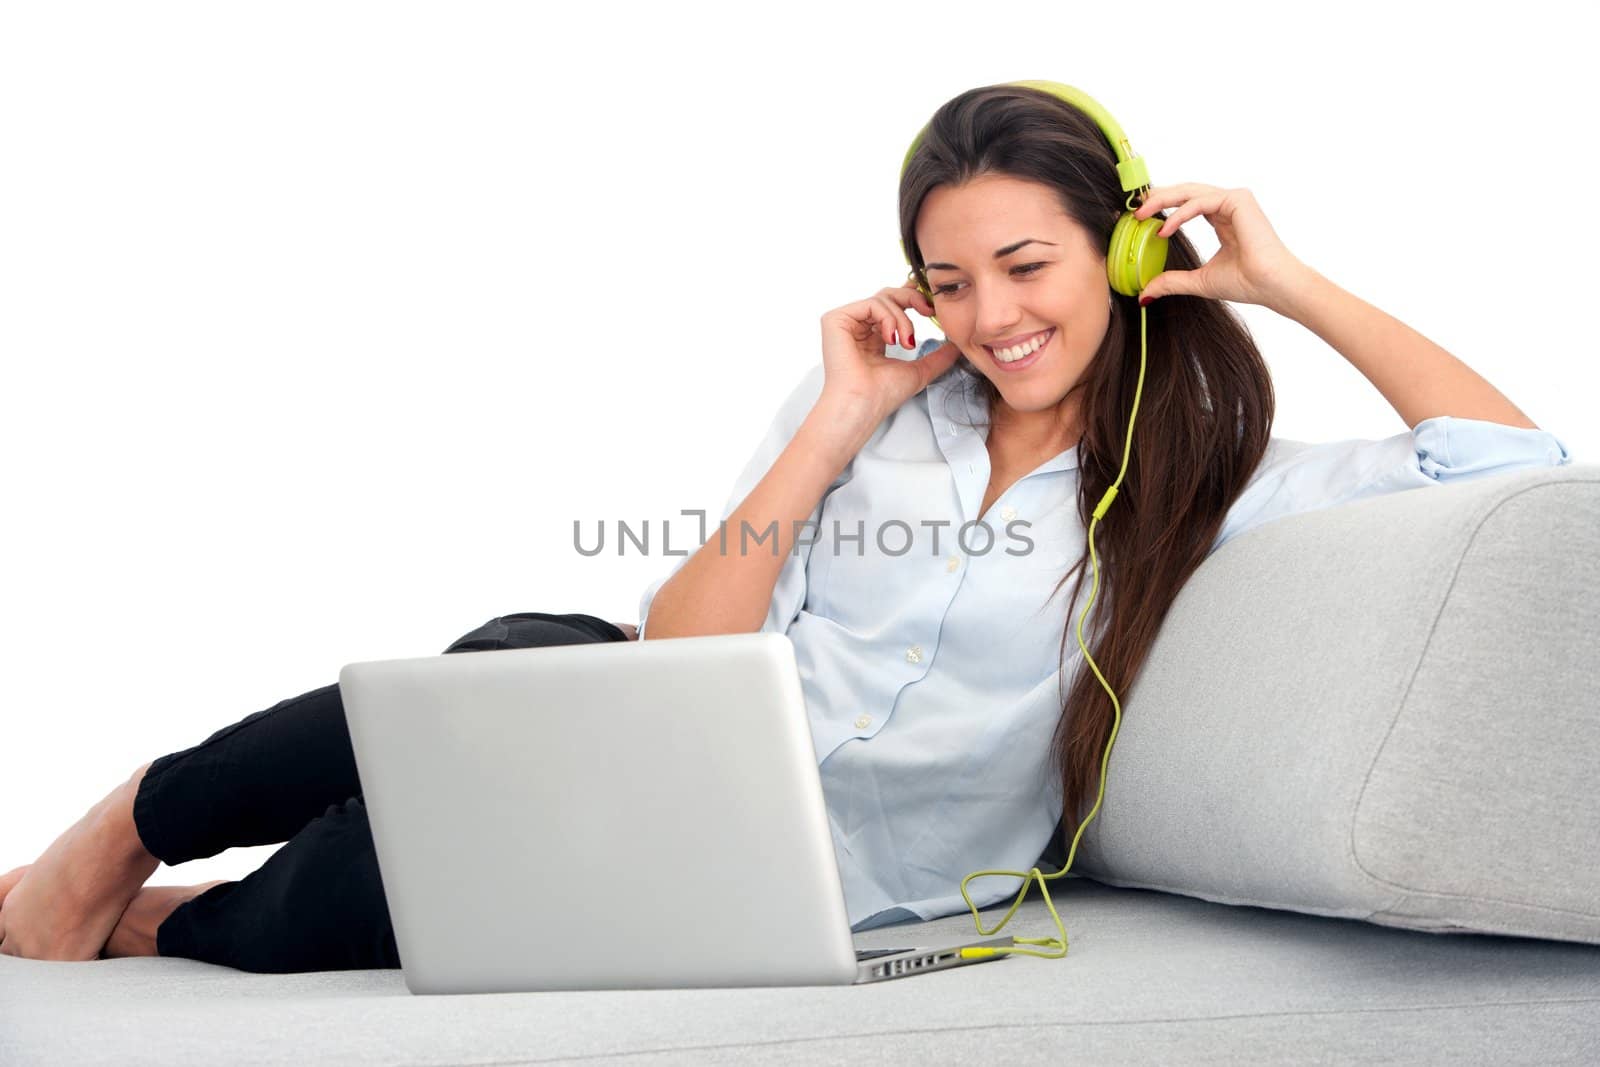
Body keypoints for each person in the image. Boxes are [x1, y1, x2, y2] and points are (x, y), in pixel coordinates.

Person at [0, 82, 1571, 969]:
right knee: (522, 657)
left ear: (1125, 247)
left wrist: (1278, 277)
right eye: (950, 283)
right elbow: (677, 653)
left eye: (1029, 266)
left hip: (844, 887)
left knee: (329, 917)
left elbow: (1509, 459)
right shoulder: (883, 422)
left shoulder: (1215, 476)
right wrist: (837, 421)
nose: (993, 317)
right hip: (650, 773)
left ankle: (174, 921)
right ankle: (136, 816)